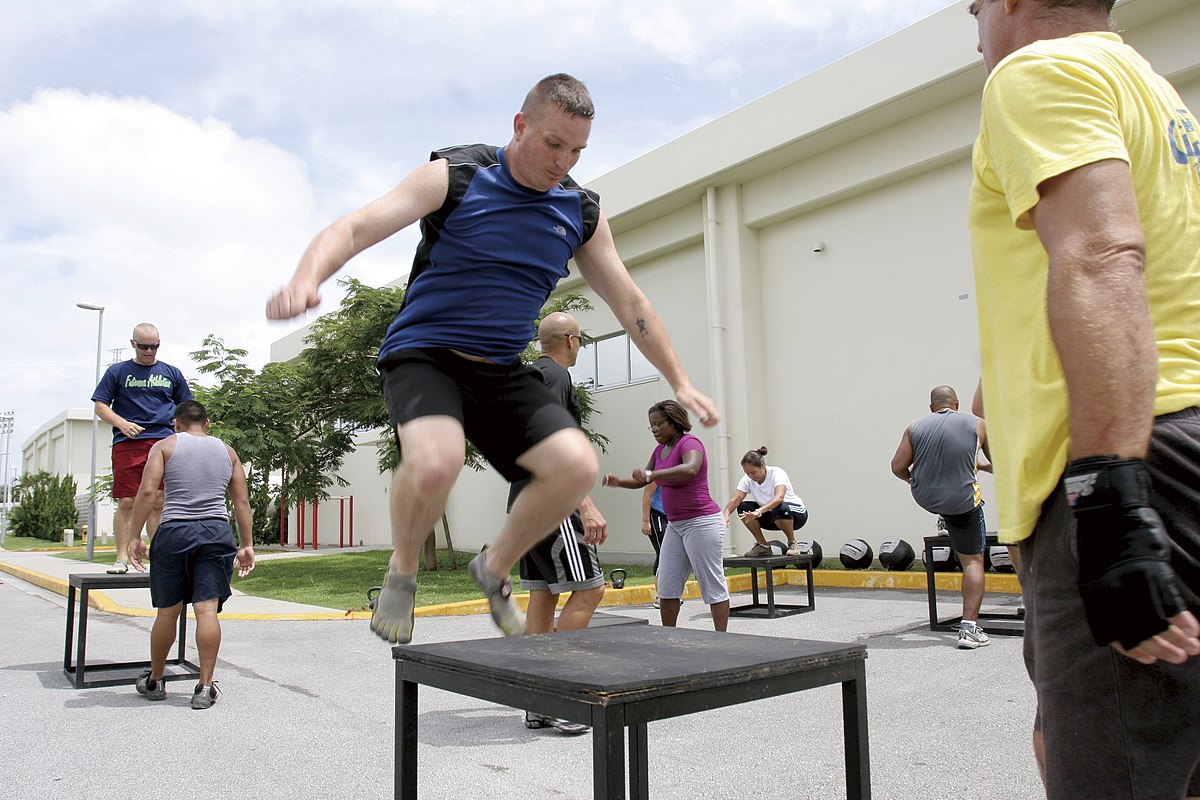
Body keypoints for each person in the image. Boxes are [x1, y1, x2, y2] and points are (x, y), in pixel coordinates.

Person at [266, 74, 719, 645]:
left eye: (577, 151)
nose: (563, 162)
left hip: (501, 369)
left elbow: (630, 301)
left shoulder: (578, 212)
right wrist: (308, 277)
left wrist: (678, 379)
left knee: (575, 465)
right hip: (426, 355)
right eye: (554, 144)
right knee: (437, 461)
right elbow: (356, 225)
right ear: (520, 124)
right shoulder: (456, 175)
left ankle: (494, 566)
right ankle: (402, 573)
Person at [966, 0, 1200, 795]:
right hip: (1181, 443)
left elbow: (1102, 252)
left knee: (1117, 775)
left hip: (1127, 457)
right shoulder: (1152, 91)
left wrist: (1111, 496)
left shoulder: (1035, 70)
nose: (971, 19)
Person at [509, 312, 605, 735]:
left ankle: (537, 701)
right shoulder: (554, 376)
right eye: (580, 340)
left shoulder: (530, 377)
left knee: (545, 597)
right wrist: (584, 504)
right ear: (569, 339)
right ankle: (566, 699)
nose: (579, 346)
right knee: (591, 589)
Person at [126, 400, 255, 709]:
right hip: (215, 532)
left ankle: (156, 681)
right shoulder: (228, 452)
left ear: (177, 424)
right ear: (207, 424)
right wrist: (246, 544)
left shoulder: (165, 446)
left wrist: (135, 536)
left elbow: (146, 493)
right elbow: (241, 502)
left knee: (168, 612)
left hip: (174, 532)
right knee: (207, 611)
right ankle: (204, 686)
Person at [603, 400, 729, 632]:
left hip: (702, 522)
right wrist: (620, 482)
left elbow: (690, 468)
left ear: (675, 422)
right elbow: (645, 479)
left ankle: (721, 637)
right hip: (676, 525)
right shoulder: (660, 451)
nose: (654, 430)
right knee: (667, 585)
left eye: (658, 424)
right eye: (651, 426)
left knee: (712, 583)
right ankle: (667, 637)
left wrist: (652, 472)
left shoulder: (689, 443)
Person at [890, 385, 992, 649]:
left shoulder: (915, 427)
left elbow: (897, 467)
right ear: (956, 404)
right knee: (973, 562)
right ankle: (969, 629)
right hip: (962, 503)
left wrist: (912, 480)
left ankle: (944, 520)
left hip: (926, 497)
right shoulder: (978, 424)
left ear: (931, 407)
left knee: (949, 505)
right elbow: (999, 462)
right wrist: (983, 464)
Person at [90, 323, 193, 574]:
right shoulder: (117, 372)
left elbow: (187, 406)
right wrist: (122, 424)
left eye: (155, 346)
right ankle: (122, 557)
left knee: (158, 501)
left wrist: (185, 432)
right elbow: (100, 405)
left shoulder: (172, 372)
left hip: (163, 442)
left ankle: (158, 559)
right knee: (127, 500)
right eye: (144, 346)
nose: (150, 351)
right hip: (128, 443)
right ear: (133, 343)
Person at [722, 446, 809, 558]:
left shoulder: (777, 473)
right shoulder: (747, 479)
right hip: (773, 516)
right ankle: (763, 546)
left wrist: (758, 512)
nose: (750, 476)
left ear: (762, 466)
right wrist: (726, 514)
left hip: (796, 515)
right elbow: (736, 499)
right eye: (747, 473)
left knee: (780, 507)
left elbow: (779, 498)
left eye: (753, 472)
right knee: (743, 508)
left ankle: (792, 544)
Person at [641, 483, 668, 608]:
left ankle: (669, 595)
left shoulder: (675, 470)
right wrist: (646, 521)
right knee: (663, 553)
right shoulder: (657, 472)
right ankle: (661, 596)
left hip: (671, 515)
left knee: (670, 554)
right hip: (657, 514)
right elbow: (647, 495)